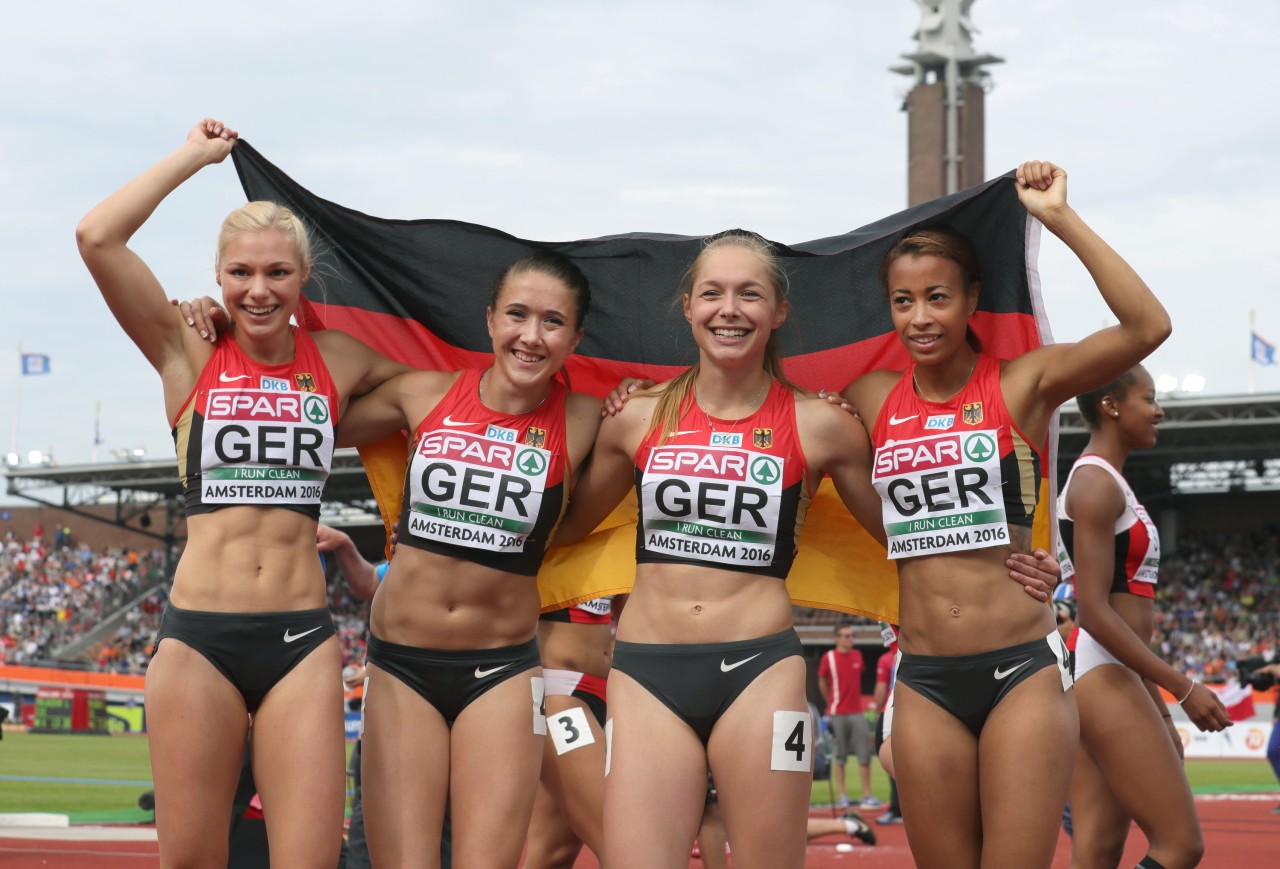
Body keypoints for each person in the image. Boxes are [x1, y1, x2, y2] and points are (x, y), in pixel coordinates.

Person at [555, 230, 1061, 869]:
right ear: (687, 305)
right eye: (712, 293)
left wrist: (1019, 560)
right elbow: (566, 526)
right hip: (646, 670)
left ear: (779, 311)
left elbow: (912, 529)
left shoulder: (823, 423)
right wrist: (434, 539)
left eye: (750, 294)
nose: (729, 309)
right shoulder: (634, 415)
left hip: (760, 670)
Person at [76, 119, 409, 868]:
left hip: (301, 641)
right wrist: (196, 157)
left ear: (303, 279)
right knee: (193, 858)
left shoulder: (340, 360)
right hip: (199, 638)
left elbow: (444, 394)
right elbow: (98, 237)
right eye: (240, 274)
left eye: (277, 274)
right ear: (218, 277)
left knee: (307, 859)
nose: (258, 290)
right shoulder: (186, 345)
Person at [839, 160, 1173, 868]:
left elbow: (1147, 325)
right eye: (903, 302)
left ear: (972, 299)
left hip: (1020, 669)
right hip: (925, 676)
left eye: (937, 297)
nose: (921, 317)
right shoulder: (868, 396)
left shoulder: (1023, 383)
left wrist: (1059, 218)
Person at [333, 251, 601, 868]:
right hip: (401, 666)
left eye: (553, 322)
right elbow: (313, 417)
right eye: (517, 314)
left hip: (502, 669)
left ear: (577, 337)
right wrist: (233, 332)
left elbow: (679, 427)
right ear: (489, 320)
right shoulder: (422, 394)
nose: (531, 336)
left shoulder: (589, 420)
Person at [1060, 365, 1231, 869]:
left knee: (1098, 850)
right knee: (1180, 846)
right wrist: (1182, 688)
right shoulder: (1094, 482)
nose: (1159, 410)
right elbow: (1092, 611)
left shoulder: (1110, 480)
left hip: (1108, 672)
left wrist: (1157, 708)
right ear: (1111, 406)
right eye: (1148, 399)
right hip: (1099, 669)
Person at [524, 596, 616, 867]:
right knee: (623, 842)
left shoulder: (613, 554)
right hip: (557, 690)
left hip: (604, 690)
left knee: (553, 856)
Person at [817, 622, 879, 809]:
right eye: (847, 635)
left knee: (864, 755)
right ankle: (842, 796)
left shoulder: (858, 655)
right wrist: (831, 702)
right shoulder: (829, 657)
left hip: (857, 711)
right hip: (837, 712)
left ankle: (867, 795)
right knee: (840, 756)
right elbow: (822, 681)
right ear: (837, 638)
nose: (850, 638)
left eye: (852, 635)